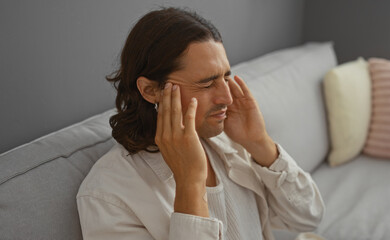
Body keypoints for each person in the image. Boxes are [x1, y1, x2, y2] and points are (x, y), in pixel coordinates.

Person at [76, 7, 325, 240]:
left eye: (226, 77)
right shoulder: (108, 195)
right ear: (151, 90)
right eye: (206, 84)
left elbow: (308, 217)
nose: (227, 98)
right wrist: (190, 184)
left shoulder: (226, 139)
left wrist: (260, 143)